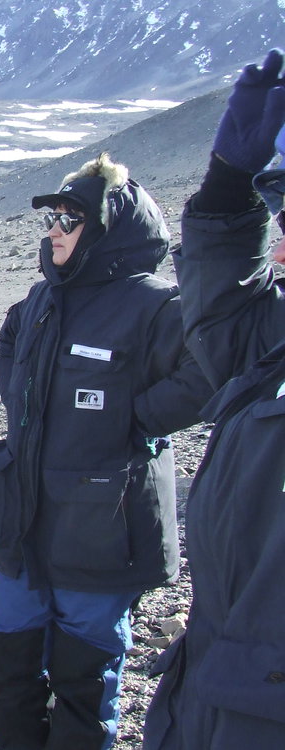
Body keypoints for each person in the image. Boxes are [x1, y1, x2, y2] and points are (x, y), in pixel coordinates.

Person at [0, 153, 212, 749]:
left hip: (102, 529)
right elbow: (9, 346)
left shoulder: (154, 304)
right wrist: (27, 406)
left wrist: (137, 417)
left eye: (69, 219)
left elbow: (208, 370)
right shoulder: (40, 300)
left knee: (84, 669)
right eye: (51, 218)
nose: (53, 230)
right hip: (27, 524)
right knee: (5, 649)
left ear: (107, 229)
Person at [142, 49, 285, 749]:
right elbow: (223, 324)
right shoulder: (271, 350)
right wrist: (230, 188)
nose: (278, 252)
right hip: (219, 696)